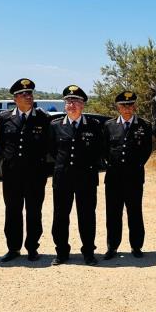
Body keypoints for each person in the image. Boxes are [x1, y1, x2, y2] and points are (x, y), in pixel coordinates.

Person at [0, 78, 51, 262]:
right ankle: (13, 248)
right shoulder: (5, 118)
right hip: (12, 174)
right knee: (12, 211)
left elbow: (47, 145)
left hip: (35, 174)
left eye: (30, 94)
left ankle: (32, 248)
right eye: (23, 94)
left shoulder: (43, 118)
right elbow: (4, 143)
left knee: (34, 211)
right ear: (15, 98)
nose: (28, 97)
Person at [49, 85, 104, 266]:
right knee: (60, 216)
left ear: (83, 105)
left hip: (86, 178)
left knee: (87, 216)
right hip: (62, 178)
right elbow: (50, 151)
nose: (71, 104)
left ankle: (88, 252)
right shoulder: (55, 125)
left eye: (76, 101)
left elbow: (99, 151)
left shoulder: (94, 126)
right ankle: (61, 251)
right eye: (68, 101)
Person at [102, 91, 153, 260]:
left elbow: (147, 150)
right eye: (124, 105)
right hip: (114, 177)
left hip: (134, 177)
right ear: (118, 107)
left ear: (135, 106)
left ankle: (136, 246)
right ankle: (112, 246)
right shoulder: (109, 126)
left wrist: (136, 165)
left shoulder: (144, 126)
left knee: (135, 212)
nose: (127, 108)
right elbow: (103, 149)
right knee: (113, 213)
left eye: (130, 104)